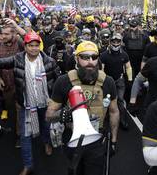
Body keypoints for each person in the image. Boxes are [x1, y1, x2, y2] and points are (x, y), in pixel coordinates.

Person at [0, 31, 60, 175]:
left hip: (45, 103)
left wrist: (57, 100)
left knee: (45, 126)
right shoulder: (18, 59)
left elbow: (58, 81)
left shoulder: (50, 61)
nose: (34, 48)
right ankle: (28, 165)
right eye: (31, 45)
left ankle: (47, 142)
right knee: (25, 136)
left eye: (37, 45)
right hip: (26, 104)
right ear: (25, 46)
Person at [46, 41, 120, 175]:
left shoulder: (108, 81)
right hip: (73, 140)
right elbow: (49, 115)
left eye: (94, 57)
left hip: (98, 141)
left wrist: (114, 140)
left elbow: (114, 112)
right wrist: (61, 114)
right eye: (85, 57)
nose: (90, 61)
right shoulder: (63, 81)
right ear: (76, 58)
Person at [0, 24, 24, 147]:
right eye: (2, 33)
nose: (3, 36)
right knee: (11, 108)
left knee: (20, 110)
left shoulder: (19, 43)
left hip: (20, 83)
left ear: (14, 34)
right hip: (6, 84)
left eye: (6, 34)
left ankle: (20, 136)